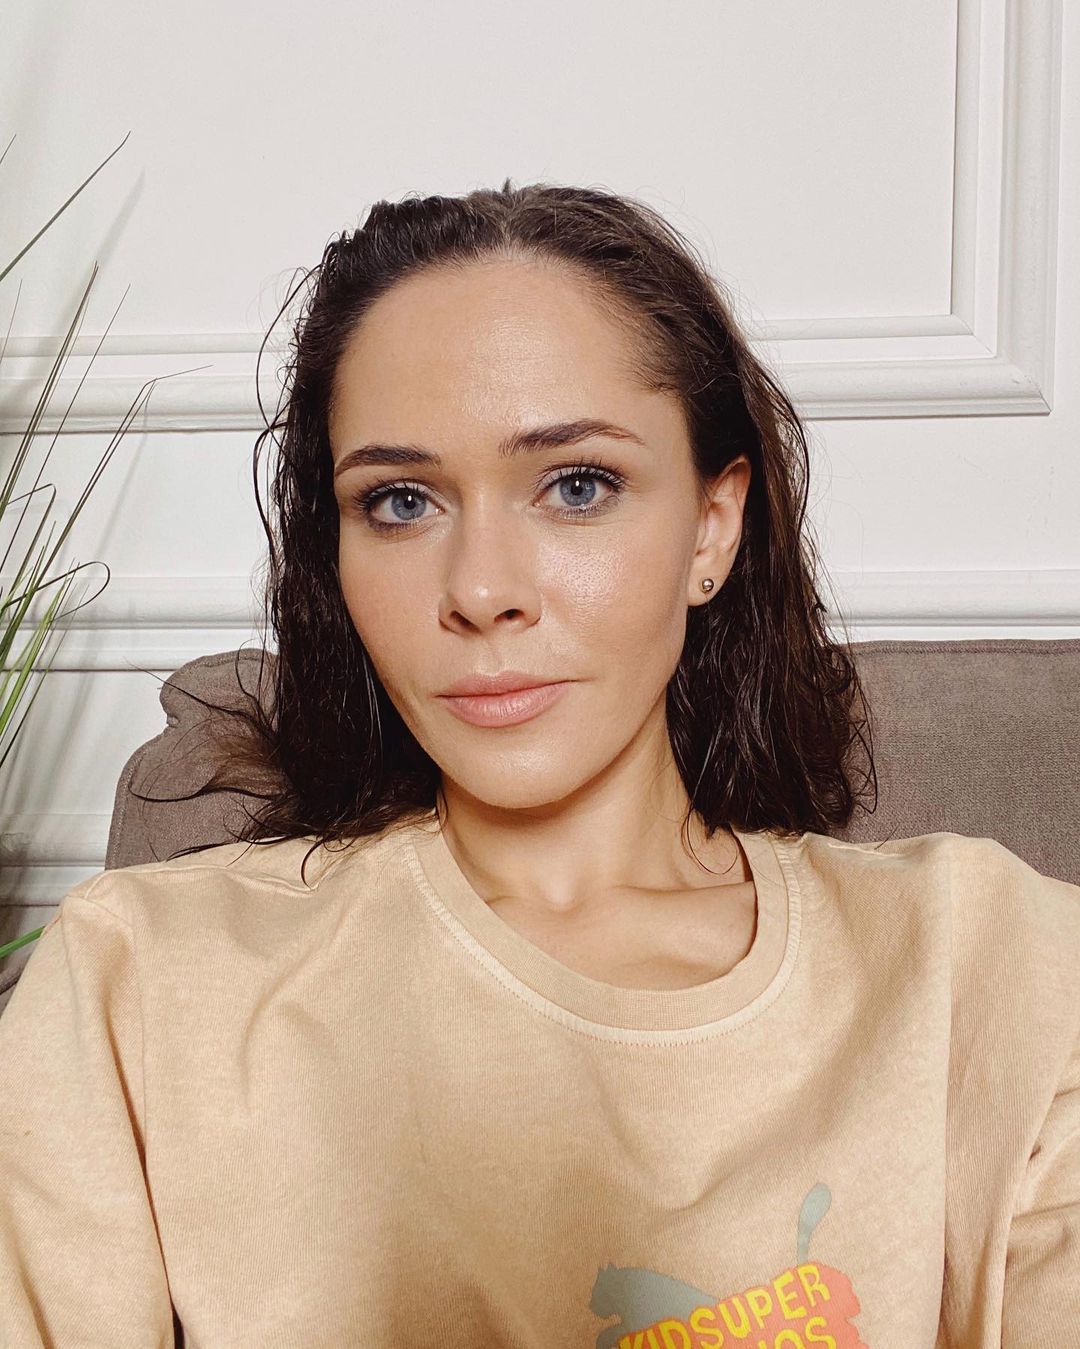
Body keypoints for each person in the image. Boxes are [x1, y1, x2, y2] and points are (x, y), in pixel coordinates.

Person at [1, 180, 1077, 1348]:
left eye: (577, 486)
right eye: (400, 501)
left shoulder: (992, 962)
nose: (480, 589)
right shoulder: (141, 980)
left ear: (713, 525)